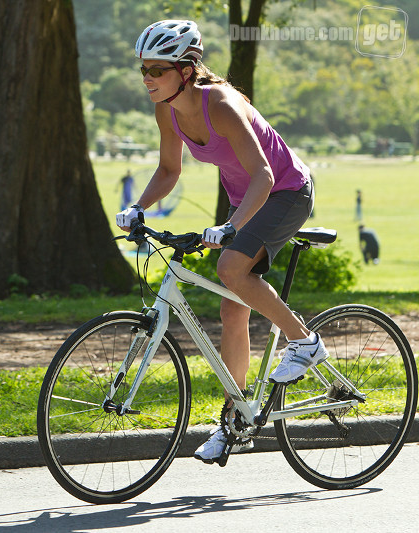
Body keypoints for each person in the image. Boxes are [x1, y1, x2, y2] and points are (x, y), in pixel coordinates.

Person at [115, 20, 328, 464]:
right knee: (232, 307)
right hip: (249, 197)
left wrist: (230, 228)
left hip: (286, 192)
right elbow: (170, 171)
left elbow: (265, 175)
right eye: (143, 70)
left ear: (187, 69)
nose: (148, 79)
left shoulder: (223, 105)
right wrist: (139, 207)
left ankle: (304, 341)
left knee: (230, 269)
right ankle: (236, 420)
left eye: (157, 69)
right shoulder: (167, 110)